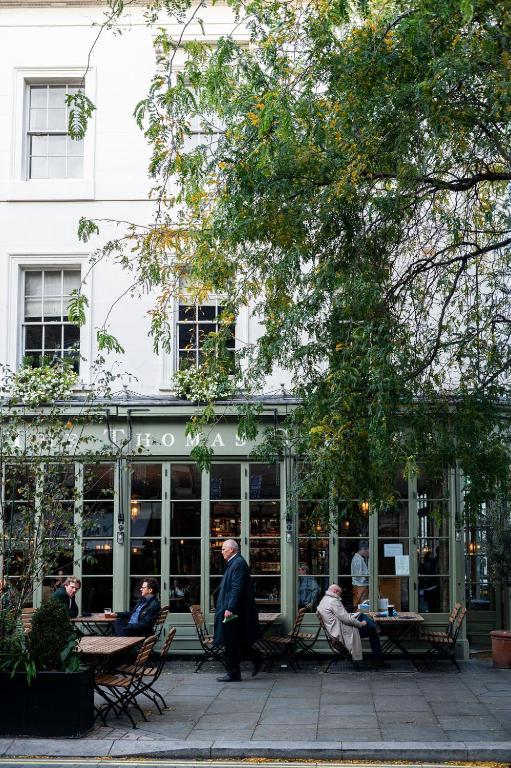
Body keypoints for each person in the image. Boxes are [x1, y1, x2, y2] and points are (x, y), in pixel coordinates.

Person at [213, 539, 262, 682]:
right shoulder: (234, 563)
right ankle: (256, 658)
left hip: (233, 611)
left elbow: (236, 588)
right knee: (237, 641)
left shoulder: (238, 564)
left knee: (231, 641)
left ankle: (234, 673)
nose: (221, 551)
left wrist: (230, 608)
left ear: (232, 550)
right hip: (233, 609)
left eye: (224, 549)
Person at [317, 583, 388, 668]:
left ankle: (377, 628)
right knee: (372, 631)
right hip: (342, 633)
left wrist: (354, 617)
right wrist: (360, 624)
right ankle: (378, 659)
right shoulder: (333, 601)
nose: (340, 596)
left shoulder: (324, 600)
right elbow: (346, 619)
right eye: (340, 593)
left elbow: (341, 617)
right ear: (335, 591)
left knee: (361, 615)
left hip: (336, 630)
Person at [351, 540, 369, 608]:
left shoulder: (359, 558)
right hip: (360, 586)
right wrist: (368, 577)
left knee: (362, 606)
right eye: (367, 550)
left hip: (360, 586)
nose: (368, 552)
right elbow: (358, 576)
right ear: (363, 549)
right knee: (362, 607)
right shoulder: (358, 559)